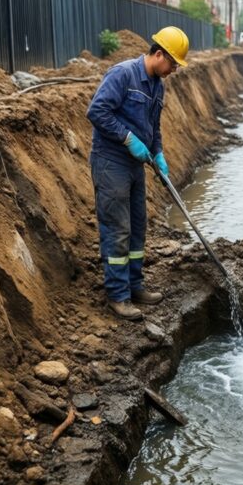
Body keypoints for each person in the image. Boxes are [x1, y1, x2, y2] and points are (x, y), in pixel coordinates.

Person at [86, 26, 189, 321]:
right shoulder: (123, 74)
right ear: (159, 54)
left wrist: (158, 152)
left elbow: (154, 127)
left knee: (137, 226)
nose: (174, 70)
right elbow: (97, 112)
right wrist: (128, 138)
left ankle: (134, 285)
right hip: (111, 162)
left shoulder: (158, 86)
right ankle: (118, 295)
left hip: (135, 164)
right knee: (117, 228)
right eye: (173, 63)